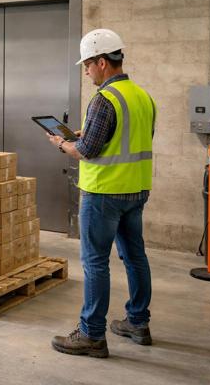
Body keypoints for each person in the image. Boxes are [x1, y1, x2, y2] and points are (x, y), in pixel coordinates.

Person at [47, 28, 156, 358]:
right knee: (135, 256)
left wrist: (66, 144)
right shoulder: (143, 97)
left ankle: (92, 334)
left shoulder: (104, 99)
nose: (86, 71)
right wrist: (86, 134)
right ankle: (138, 322)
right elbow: (127, 137)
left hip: (104, 193)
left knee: (95, 263)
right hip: (135, 189)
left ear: (103, 62)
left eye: (88, 65)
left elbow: (89, 150)